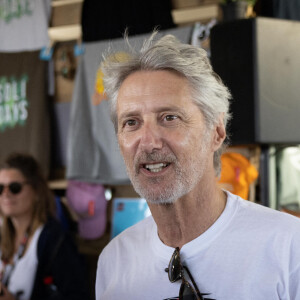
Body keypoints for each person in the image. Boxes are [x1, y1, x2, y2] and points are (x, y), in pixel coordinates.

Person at [95, 32, 300, 300]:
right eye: (131, 122)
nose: (148, 142)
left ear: (216, 131)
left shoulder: (288, 247)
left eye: (169, 117)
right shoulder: (115, 261)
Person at [0, 153, 91, 300]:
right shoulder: (2, 230)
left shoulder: (54, 240)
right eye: (0, 188)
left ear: (36, 191)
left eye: (14, 187)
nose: (5, 194)